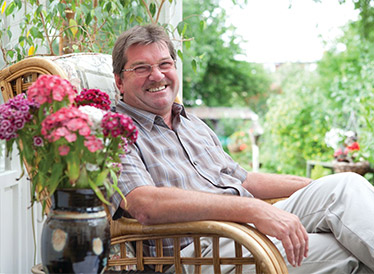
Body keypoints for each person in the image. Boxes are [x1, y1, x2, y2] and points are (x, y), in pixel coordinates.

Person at [111, 24, 374, 273]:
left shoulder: (191, 124)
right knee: (348, 253)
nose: (157, 75)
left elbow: (244, 178)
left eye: (165, 64)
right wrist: (252, 210)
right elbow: (143, 203)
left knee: (346, 185)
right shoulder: (113, 131)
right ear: (119, 82)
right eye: (141, 68)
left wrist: (319, 188)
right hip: (197, 251)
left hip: (241, 230)